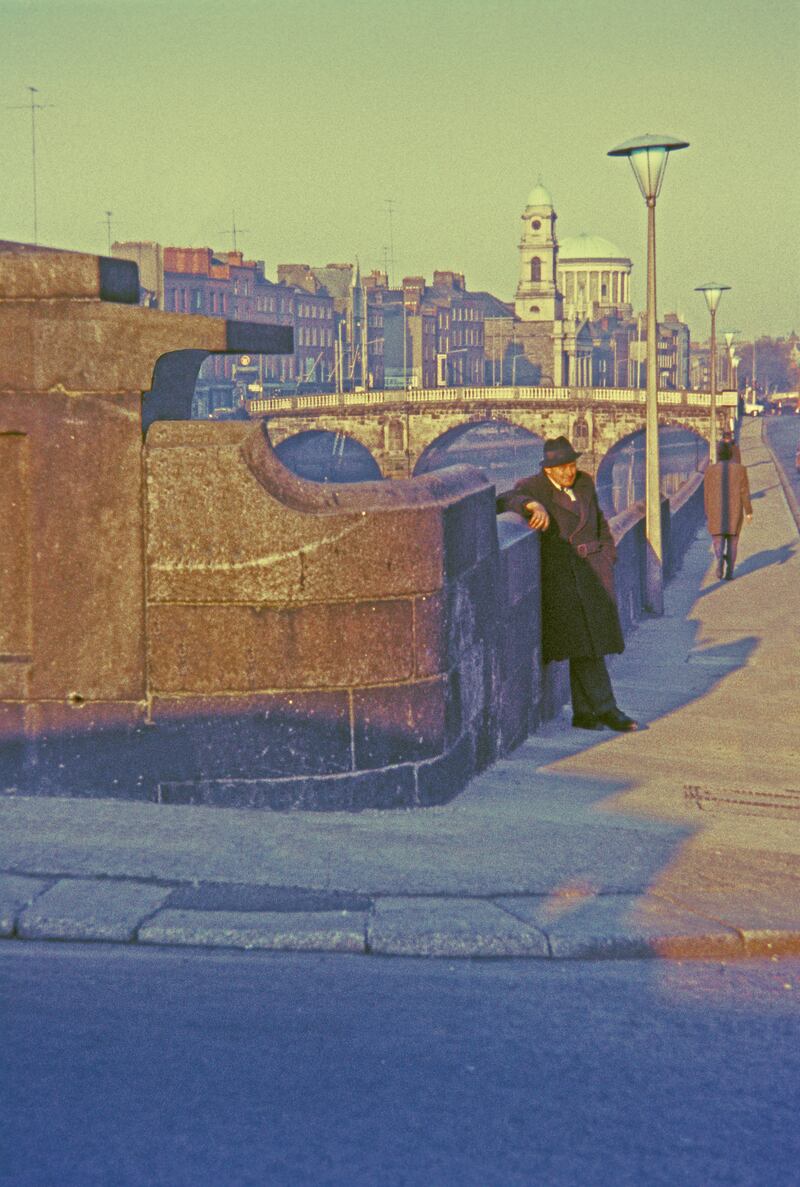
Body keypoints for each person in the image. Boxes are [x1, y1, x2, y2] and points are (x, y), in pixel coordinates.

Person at [498, 436, 638, 732]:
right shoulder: (534, 487)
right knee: (587, 644)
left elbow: (599, 521)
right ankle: (607, 708)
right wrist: (532, 505)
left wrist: (607, 554)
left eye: (571, 466)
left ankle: (584, 714)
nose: (568, 473)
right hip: (566, 578)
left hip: (594, 572)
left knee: (588, 643)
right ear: (548, 470)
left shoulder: (585, 483)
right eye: (561, 469)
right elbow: (503, 500)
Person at [703, 440, 752, 580]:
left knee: (718, 540)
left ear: (718, 455)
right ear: (730, 454)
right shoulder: (740, 469)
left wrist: (708, 512)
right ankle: (730, 571)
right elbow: (744, 492)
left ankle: (719, 559)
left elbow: (706, 493)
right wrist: (748, 511)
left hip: (715, 512)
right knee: (733, 542)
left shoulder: (710, 470)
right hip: (735, 511)